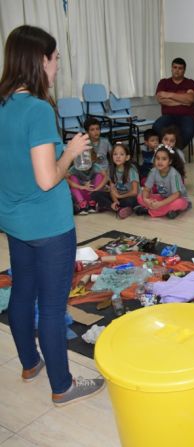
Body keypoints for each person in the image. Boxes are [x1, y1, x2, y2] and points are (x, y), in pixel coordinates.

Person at [0, 24, 104, 406]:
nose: (58, 64)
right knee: (52, 303)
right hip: (48, 224)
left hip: (13, 220)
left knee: (23, 292)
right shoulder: (38, 109)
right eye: (56, 57)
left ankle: (30, 363)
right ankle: (62, 384)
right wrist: (71, 151)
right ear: (40, 60)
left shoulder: (3, 104)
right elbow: (47, 179)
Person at [153, 57, 194, 149]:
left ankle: (176, 151)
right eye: (175, 67)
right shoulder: (164, 82)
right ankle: (165, 149)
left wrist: (168, 94)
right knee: (156, 127)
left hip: (186, 116)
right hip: (168, 115)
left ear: (184, 70)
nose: (177, 70)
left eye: (180, 68)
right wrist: (182, 100)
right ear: (171, 68)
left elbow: (189, 100)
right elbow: (160, 99)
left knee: (188, 131)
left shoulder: (190, 83)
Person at [135, 145, 189, 219]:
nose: (160, 161)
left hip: (178, 199)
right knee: (140, 197)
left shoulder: (174, 174)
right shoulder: (153, 171)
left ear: (170, 161)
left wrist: (160, 204)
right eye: (157, 158)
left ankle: (149, 211)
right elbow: (146, 189)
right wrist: (146, 200)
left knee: (178, 203)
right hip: (162, 197)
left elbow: (176, 195)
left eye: (164, 159)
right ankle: (168, 211)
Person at [91, 142, 139, 219]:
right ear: (111, 157)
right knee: (95, 194)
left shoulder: (131, 169)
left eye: (121, 154)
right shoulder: (111, 169)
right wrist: (115, 201)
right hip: (118, 196)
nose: (118, 157)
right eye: (115, 154)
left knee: (130, 201)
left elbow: (135, 192)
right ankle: (117, 208)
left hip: (129, 196)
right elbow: (112, 189)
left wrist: (120, 196)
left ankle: (109, 207)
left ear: (127, 157)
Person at [65, 146, 107, 215]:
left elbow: (106, 177)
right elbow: (66, 178)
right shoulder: (74, 168)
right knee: (72, 178)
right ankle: (82, 204)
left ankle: (92, 203)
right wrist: (81, 186)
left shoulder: (95, 166)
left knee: (99, 176)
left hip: (92, 192)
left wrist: (97, 189)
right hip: (81, 194)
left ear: (92, 159)